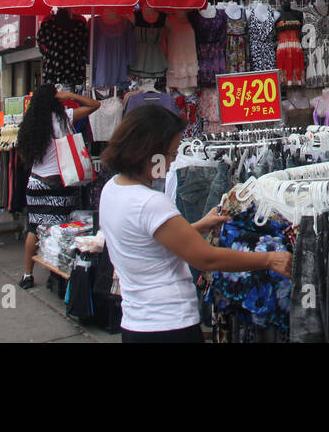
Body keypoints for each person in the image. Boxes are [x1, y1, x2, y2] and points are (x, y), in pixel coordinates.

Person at [101, 104, 293, 343]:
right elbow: (206, 258)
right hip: (169, 326)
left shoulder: (113, 189)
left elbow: (146, 242)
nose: (172, 163)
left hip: (136, 325)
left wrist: (198, 226)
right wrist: (269, 260)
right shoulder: (150, 202)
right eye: (171, 153)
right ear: (151, 152)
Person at [16, 83, 100, 290]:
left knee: (34, 228)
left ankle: (27, 274)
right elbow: (94, 105)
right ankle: (58, 276)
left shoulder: (30, 124)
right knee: (62, 229)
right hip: (60, 182)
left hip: (36, 182)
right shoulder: (64, 117)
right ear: (55, 99)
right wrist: (69, 95)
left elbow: (24, 155)